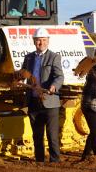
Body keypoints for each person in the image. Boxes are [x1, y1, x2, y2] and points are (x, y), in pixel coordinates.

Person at [21, 27, 64, 163]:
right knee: (37, 135)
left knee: (52, 135)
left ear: (48, 41)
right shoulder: (28, 58)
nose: (41, 43)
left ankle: (55, 161)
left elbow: (59, 76)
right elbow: (24, 74)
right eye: (38, 40)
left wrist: (54, 86)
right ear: (34, 41)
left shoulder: (54, 57)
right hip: (34, 101)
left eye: (44, 40)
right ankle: (39, 161)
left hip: (50, 102)